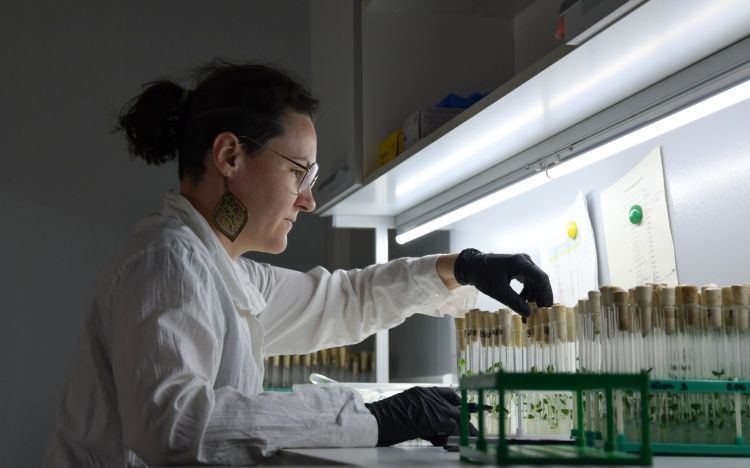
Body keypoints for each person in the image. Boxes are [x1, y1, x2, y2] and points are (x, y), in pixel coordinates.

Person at [44, 60, 553, 467]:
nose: (307, 200)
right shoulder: (170, 263)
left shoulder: (219, 268)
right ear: (229, 156)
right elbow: (177, 429)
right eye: (298, 174)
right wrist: (375, 418)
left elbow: (342, 300)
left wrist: (461, 267)